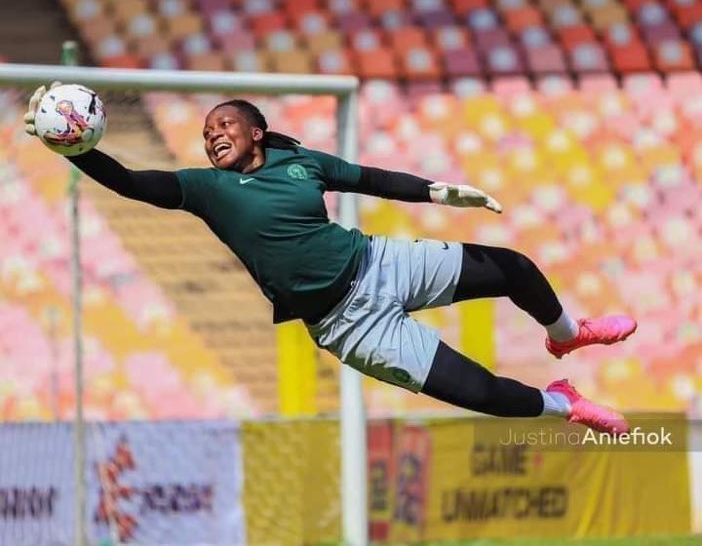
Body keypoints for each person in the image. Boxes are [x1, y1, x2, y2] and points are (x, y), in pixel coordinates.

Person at [24, 83, 637, 435]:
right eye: (207, 129)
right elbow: (131, 182)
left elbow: (370, 178)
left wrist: (437, 191)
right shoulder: (204, 189)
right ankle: (565, 402)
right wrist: (73, 148)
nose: (212, 134)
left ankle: (568, 334)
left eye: (224, 123)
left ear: (256, 131)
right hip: (351, 325)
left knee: (515, 267)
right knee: (485, 393)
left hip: (380, 263)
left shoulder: (303, 165)